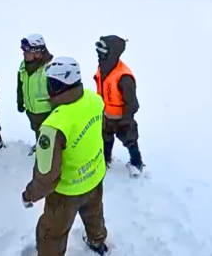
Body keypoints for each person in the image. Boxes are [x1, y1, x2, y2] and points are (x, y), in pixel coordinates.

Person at [21, 57, 109, 256]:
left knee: (51, 232)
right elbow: (100, 129)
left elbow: (46, 176)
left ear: (55, 85)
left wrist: (30, 195)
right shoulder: (94, 99)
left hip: (67, 191)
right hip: (95, 177)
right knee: (94, 213)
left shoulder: (53, 127)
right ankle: (97, 241)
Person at [94, 35, 145, 176]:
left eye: (102, 50)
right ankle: (105, 159)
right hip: (105, 115)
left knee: (130, 139)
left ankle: (136, 163)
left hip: (122, 117)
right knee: (105, 138)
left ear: (112, 52)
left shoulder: (124, 76)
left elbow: (132, 103)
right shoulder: (102, 68)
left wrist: (126, 119)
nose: (98, 53)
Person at [16, 34, 54, 155]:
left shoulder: (50, 69)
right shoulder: (23, 66)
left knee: (51, 134)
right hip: (32, 111)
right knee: (37, 130)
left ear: (38, 53)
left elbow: (58, 94)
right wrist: (20, 101)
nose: (23, 54)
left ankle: (49, 153)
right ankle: (40, 145)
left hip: (47, 112)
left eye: (27, 51)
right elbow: (20, 86)